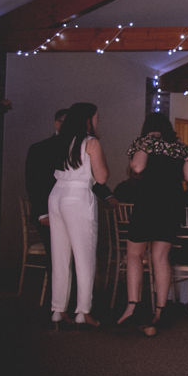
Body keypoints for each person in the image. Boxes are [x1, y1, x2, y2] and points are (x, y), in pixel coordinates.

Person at [116, 113, 188, 334]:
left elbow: (137, 167)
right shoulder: (181, 147)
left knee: (134, 254)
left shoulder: (145, 142)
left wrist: (146, 144)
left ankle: (132, 307)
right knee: (161, 257)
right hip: (171, 204)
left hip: (148, 201)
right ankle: (160, 310)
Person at [47, 102, 110, 328]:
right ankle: (84, 311)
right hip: (78, 196)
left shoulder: (61, 141)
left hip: (56, 195)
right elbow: (101, 178)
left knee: (60, 256)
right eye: (96, 117)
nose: (98, 121)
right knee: (85, 256)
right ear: (88, 120)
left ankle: (58, 309)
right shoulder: (91, 142)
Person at [25, 107, 68, 265]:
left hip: (73, 210)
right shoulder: (40, 149)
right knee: (56, 259)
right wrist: (43, 213)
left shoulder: (81, 148)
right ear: (57, 124)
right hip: (48, 212)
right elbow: (33, 182)